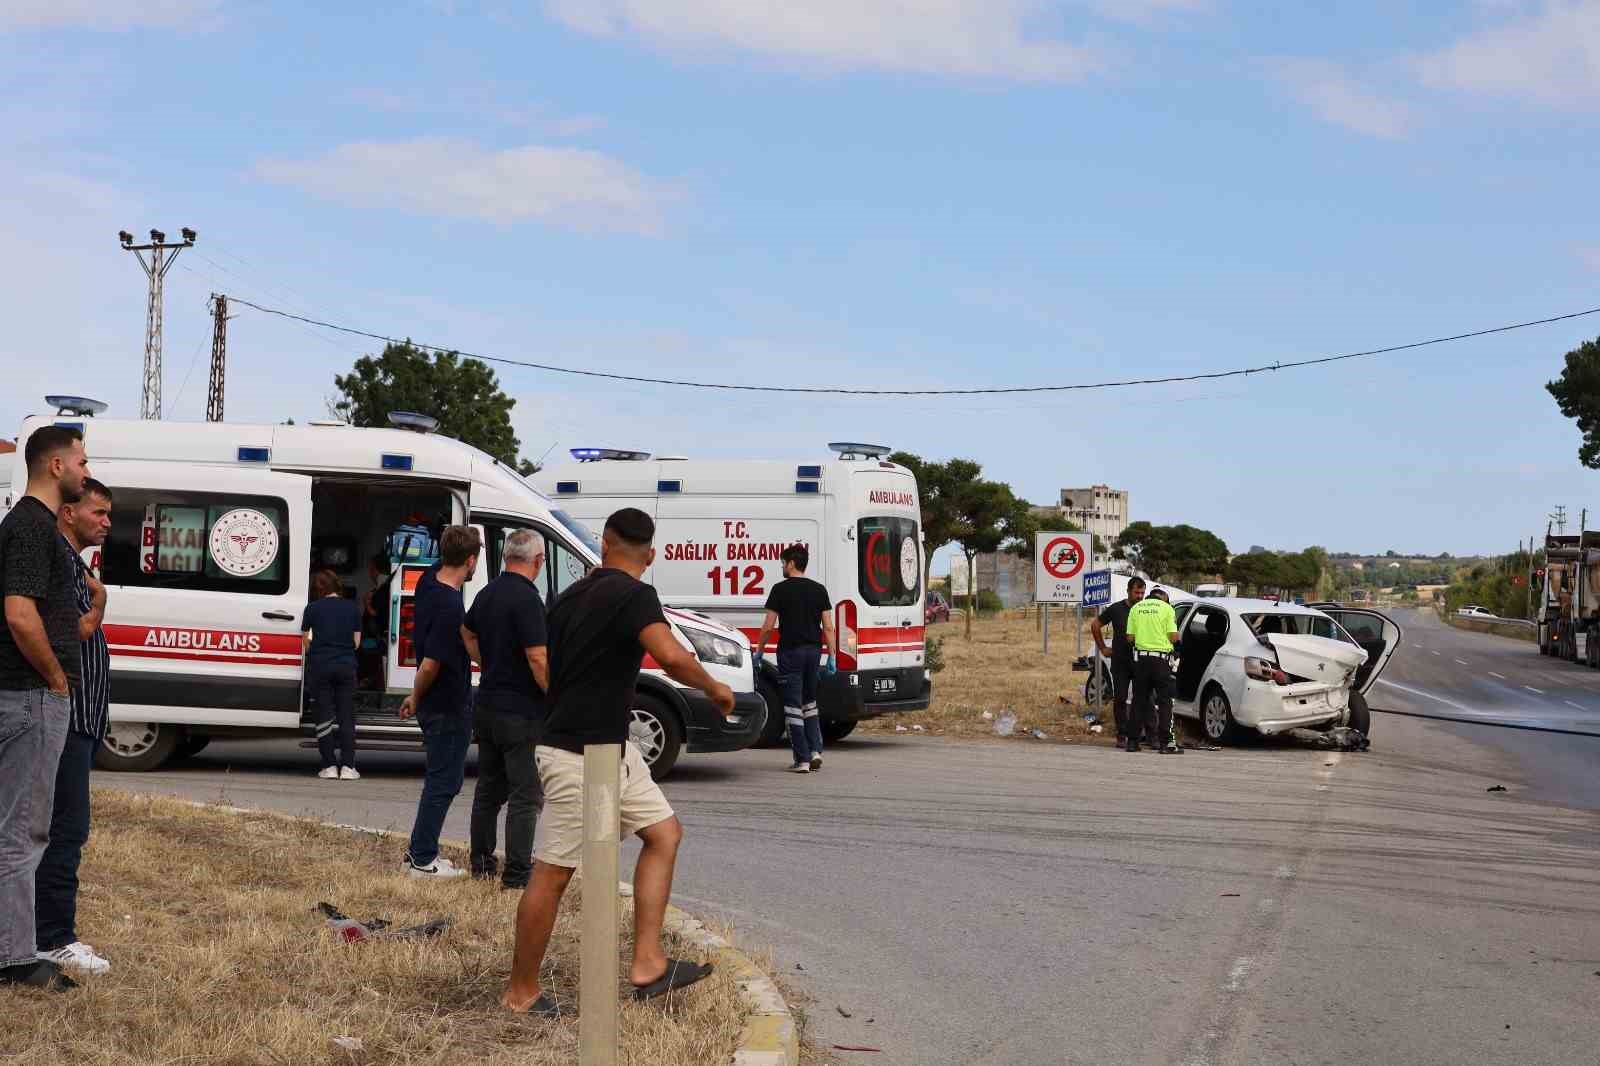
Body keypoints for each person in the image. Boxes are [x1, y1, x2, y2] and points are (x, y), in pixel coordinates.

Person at [501, 508, 735, 1018]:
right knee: (553, 873)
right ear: (650, 557)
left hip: (611, 750)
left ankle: (648, 962)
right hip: (576, 755)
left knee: (664, 833)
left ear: (604, 543)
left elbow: (548, 666)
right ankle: (520, 992)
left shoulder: (567, 598)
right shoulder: (634, 595)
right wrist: (715, 686)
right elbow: (670, 656)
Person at [0, 425, 90, 992]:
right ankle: (13, 958)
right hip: (32, 698)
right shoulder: (34, 526)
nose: (87, 468)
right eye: (82, 459)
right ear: (55, 465)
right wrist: (55, 679)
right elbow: (18, 613)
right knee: (24, 832)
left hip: (27, 695)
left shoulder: (24, 525)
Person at [33, 478, 112, 979]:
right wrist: (100, 604)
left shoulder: (73, 560)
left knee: (63, 826)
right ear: (69, 513)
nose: (106, 522)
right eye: (98, 512)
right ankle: (52, 937)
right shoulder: (61, 561)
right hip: (65, 716)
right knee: (64, 828)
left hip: (78, 718)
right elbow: (69, 630)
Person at [462, 529, 548, 890]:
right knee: (525, 796)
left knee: (488, 791)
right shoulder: (529, 600)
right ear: (539, 561)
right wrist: (554, 696)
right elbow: (537, 655)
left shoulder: (487, 593)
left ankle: (481, 864)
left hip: (488, 705)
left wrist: (489, 661)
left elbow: (466, 633)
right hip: (521, 710)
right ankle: (517, 875)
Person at [398, 525, 481, 878]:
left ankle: (419, 850)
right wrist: (415, 696)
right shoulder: (449, 605)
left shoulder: (428, 582)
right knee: (444, 781)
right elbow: (431, 662)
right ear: (471, 560)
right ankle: (422, 860)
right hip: (445, 702)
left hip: (437, 701)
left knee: (441, 778)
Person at [755, 544, 836, 773]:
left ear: (791, 563)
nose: (782, 566)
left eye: (783, 562)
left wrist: (759, 651)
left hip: (790, 653)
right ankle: (815, 750)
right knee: (809, 702)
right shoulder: (819, 590)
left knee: (792, 706)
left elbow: (768, 627)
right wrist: (831, 655)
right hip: (813, 652)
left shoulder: (780, 590)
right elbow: (828, 627)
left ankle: (802, 760)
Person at [303, 569, 362, 780]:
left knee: (324, 716)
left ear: (318, 590)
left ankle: (328, 765)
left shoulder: (312, 609)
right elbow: (356, 643)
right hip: (346, 666)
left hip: (320, 668)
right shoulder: (352, 609)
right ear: (337, 586)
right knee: (346, 716)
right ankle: (348, 766)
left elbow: (306, 642)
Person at [1125, 586, 1182, 754]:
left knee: (1139, 701)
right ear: (1163, 598)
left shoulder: (1136, 608)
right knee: (1164, 702)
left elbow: (1130, 638)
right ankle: (1165, 744)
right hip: (1161, 661)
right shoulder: (1167, 608)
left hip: (1141, 660)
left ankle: (1132, 742)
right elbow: (1173, 636)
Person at [1091, 576, 1145, 750]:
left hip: (1140, 661)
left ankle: (1136, 734)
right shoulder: (1116, 609)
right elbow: (1095, 625)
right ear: (1128, 591)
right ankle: (1121, 734)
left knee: (1140, 699)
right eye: (1137, 592)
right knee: (1120, 698)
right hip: (1120, 661)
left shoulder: (1145, 610)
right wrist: (1103, 648)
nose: (1140, 596)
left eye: (1142, 593)